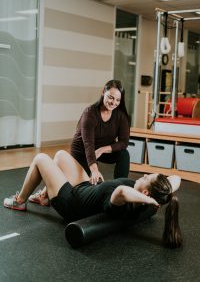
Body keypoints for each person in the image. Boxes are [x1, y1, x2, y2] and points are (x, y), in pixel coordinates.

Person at [3, 150, 182, 249]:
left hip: (71, 202)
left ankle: (19, 201)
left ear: (146, 193)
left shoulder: (123, 201)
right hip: (85, 188)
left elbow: (120, 190)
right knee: (60, 156)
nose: (143, 175)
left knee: (41, 158)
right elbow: (176, 178)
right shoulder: (147, 196)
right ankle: (44, 197)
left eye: (146, 178)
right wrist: (165, 189)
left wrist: (150, 201)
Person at [70, 79, 130, 184]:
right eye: (111, 97)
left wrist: (102, 150)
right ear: (103, 92)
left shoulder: (121, 115)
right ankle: (44, 192)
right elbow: (88, 145)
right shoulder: (90, 113)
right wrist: (95, 170)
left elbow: (124, 142)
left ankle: (119, 187)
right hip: (83, 151)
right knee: (76, 185)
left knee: (123, 154)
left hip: (100, 151)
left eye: (117, 100)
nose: (114, 102)